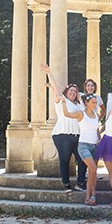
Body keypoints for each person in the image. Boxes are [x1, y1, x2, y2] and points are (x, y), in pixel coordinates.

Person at [40, 64, 87, 192]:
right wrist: (49, 72)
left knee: (83, 160)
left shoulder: (79, 106)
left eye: (75, 92)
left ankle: (80, 183)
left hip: (77, 136)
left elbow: (86, 112)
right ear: (66, 92)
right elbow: (56, 88)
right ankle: (66, 185)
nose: (73, 93)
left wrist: (80, 99)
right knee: (65, 160)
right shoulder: (61, 101)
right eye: (70, 91)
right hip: (62, 135)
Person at [61, 93, 101, 206]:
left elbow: (96, 130)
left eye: (95, 102)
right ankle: (91, 195)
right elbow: (66, 114)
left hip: (95, 146)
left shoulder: (96, 115)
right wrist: (64, 102)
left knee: (93, 172)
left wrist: (99, 138)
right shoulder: (80, 114)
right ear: (86, 103)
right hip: (84, 145)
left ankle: (90, 196)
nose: (94, 104)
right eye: (92, 102)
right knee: (92, 169)